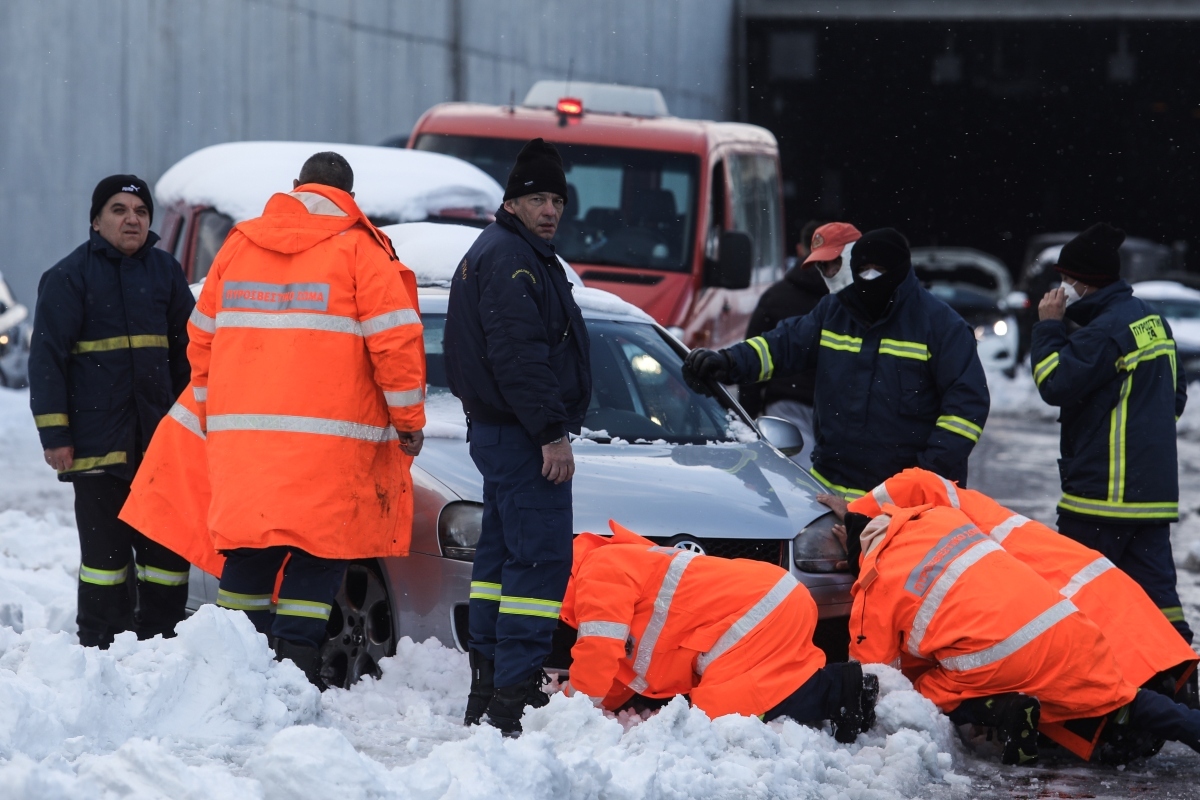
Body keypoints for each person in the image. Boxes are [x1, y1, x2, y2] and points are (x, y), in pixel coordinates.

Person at [186, 152, 426, 689]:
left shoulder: (239, 246)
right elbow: (397, 343)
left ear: (295, 187)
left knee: (249, 554)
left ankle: (233, 674)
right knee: (317, 558)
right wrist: (408, 419)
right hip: (328, 453)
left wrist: (212, 409)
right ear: (350, 196)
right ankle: (293, 670)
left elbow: (201, 337)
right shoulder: (362, 251)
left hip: (245, 447)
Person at [841, 500, 1200, 764]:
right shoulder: (940, 519)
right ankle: (1192, 726)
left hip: (1001, 657)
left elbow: (880, 677)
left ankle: (1006, 711)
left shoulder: (874, 588)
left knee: (922, 691)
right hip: (1068, 626)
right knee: (1121, 697)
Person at [444, 138, 592, 735]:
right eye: (538, 198)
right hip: (524, 438)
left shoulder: (511, 250)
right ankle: (512, 697)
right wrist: (551, 434)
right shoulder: (513, 258)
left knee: (501, 560)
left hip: (504, 435)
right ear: (512, 201)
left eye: (557, 199)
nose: (550, 209)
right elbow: (520, 358)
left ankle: (488, 688)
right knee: (538, 562)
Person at [685, 227, 989, 499]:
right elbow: (782, 345)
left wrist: (925, 477)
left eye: (879, 270)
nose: (869, 278)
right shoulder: (834, 312)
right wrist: (727, 361)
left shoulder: (941, 326)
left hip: (905, 502)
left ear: (900, 271)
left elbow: (965, 410)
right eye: (863, 269)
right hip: (831, 492)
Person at [28, 175, 195, 648]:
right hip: (98, 445)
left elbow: (189, 356)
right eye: (119, 210)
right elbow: (48, 362)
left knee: (167, 556)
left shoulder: (165, 273)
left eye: (140, 211)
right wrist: (55, 434)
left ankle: (162, 642)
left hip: (161, 445)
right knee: (105, 559)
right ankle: (100, 644)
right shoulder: (68, 277)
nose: (132, 219)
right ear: (96, 221)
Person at [560, 520, 878, 741]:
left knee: (727, 713)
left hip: (762, 607)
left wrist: (569, 709)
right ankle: (827, 687)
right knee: (747, 694)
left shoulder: (597, 570)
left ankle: (841, 690)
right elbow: (615, 668)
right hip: (768, 600)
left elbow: (599, 649)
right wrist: (593, 701)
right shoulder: (602, 565)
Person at [1030, 223, 1193, 645]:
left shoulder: (1105, 331)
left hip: (1102, 497)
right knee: (1158, 596)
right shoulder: (1150, 320)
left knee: (1078, 594)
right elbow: (1173, 398)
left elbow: (1054, 383)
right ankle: (1176, 676)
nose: (1062, 287)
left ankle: (1090, 685)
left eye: (1067, 279)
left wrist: (1048, 326)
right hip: (1150, 496)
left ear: (1086, 281)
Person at [738, 221, 859, 469]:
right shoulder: (860, 303)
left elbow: (755, 358)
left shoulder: (776, 296)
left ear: (800, 250)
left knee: (792, 485)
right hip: (842, 412)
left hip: (786, 409)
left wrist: (748, 417)